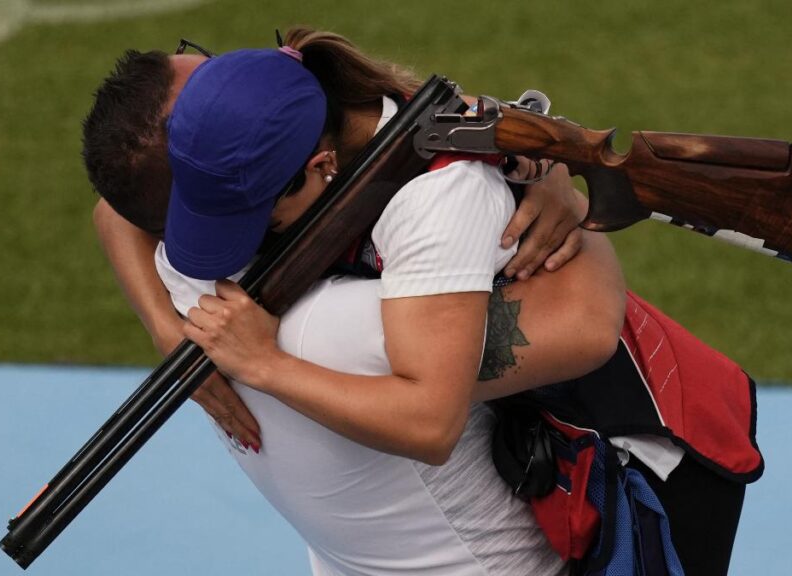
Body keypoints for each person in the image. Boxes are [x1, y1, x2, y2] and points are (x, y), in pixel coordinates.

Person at [85, 29, 626, 576]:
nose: (226, 76)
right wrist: (570, 195)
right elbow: (587, 324)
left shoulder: (191, 284)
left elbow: (116, 212)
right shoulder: (330, 322)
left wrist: (167, 326)